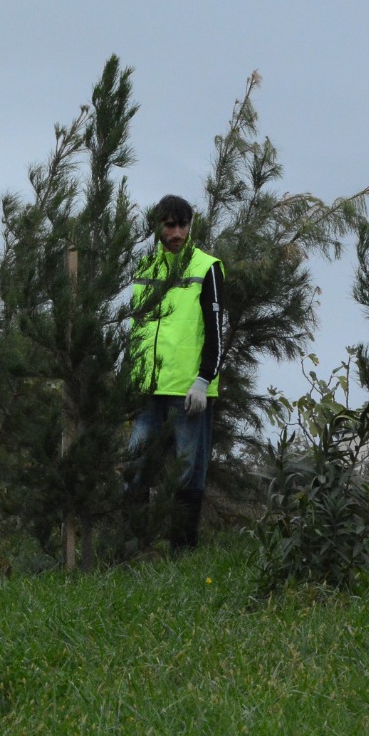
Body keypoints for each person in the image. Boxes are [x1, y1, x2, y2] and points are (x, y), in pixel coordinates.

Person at [126, 194, 226, 551]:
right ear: (158, 227)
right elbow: (136, 328)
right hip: (147, 388)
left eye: (183, 225)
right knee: (134, 467)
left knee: (186, 473)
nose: (177, 233)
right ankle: (133, 547)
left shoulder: (206, 267)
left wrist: (204, 379)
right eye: (170, 225)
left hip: (188, 390)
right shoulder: (144, 267)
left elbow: (215, 330)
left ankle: (182, 553)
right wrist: (129, 380)